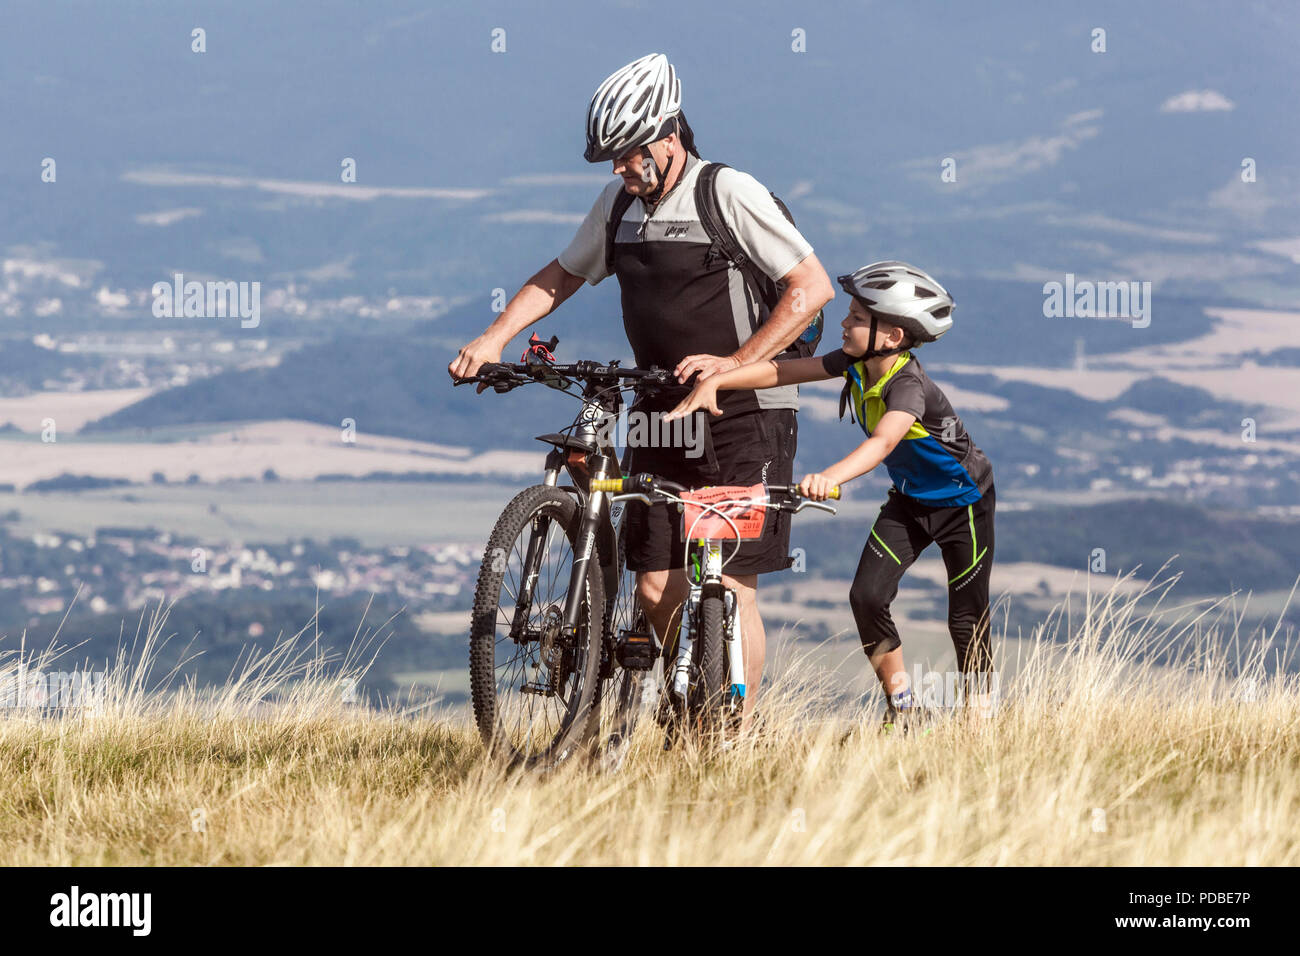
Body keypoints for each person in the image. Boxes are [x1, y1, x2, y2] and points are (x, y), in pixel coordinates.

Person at [448, 53, 834, 723]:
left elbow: (811, 289)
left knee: (731, 581)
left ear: (668, 134)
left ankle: (727, 735)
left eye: (627, 155)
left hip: (748, 409)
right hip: (662, 406)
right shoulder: (620, 203)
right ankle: (676, 688)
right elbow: (562, 275)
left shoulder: (728, 192)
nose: (620, 169)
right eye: (611, 159)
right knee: (655, 582)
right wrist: (495, 336)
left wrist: (732, 364)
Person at [664, 261, 997, 732]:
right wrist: (720, 379)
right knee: (866, 597)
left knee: (966, 617)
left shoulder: (906, 385)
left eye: (858, 317)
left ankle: (978, 727)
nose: (843, 322)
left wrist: (829, 476)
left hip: (965, 504)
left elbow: (882, 443)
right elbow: (781, 372)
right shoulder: (855, 362)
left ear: (892, 337)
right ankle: (902, 706)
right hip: (911, 501)